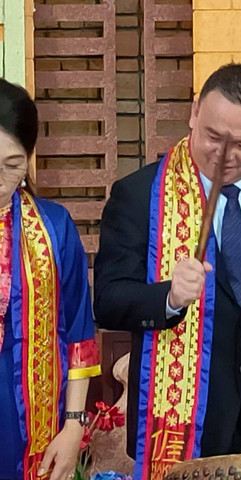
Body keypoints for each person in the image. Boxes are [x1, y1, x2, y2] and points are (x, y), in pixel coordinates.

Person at [93, 63, 241, 480]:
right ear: (194, 112)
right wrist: (167, 298)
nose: (223, 155)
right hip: (185, 428)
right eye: (213, 137)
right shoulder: (138, 195)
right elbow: (108, 301)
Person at [0, 79, 100, 480]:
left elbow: (79, 333)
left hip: (30, 418)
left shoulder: (55, 227)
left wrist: (74, 424)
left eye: (11, 165)